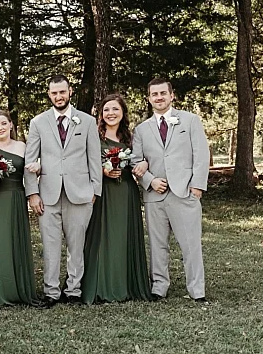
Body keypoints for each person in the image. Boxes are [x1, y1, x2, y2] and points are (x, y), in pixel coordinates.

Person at [25, 74, 102, 304]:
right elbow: (31, 159)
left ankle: (73, 291)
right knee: (50, 245)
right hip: (47, 194)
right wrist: (32, 193)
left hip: (80, 193)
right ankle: (51, 292)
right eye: (54, 92)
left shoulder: (86, 121)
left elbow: (94, 159)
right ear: (49, 95)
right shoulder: (38, 122)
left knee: (76, 245)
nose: (58, 96)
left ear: (70, 92)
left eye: (62, 91)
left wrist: (94, 191)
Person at [133, 76, 210, 301]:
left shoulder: (189, 121)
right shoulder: (141, 129)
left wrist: (197, 187)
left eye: (162, 93)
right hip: (154, 196)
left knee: (190, 245)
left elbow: (201, 155)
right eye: (154, 94)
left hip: (184, 193)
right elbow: (135, 161)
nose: (159, 97)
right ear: (149, 98)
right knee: (158, 245)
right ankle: (159, 287)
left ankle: (197, 291)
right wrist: (149, 181)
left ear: (171, 95)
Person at [82, 94, 153, 305]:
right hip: (103, 192)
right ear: (100, 114)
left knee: (124, 234)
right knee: (103, 235)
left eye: (115, 109)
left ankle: (127, 283)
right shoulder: (93, 136)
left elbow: (143, 159)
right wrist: (102, 170)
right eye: (106, 110)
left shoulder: (132, 138)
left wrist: (146, 165)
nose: (110, 113)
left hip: (126, 192)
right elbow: (83, 161)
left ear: (123, 113)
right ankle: (102, 284)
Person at [0, 109, 39, 306]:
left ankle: (19, 288)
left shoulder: (22, 146)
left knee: (15, 241)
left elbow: (32, 169)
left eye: (3, 123)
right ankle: (0, 290)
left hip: (16, 198)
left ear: (11, 125)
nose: (0, 128)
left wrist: (39, 167)